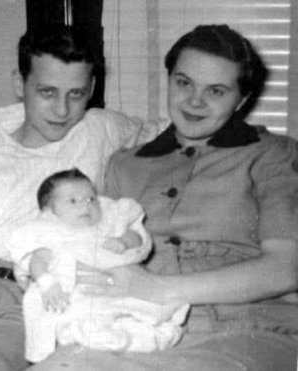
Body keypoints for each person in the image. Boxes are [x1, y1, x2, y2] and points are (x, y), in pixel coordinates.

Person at [29, 24, 298, 371]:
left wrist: (157, 288)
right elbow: (93, 245)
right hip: (137, 328)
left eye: (216, 90)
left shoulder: (275, 155)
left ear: (242, 99)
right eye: (183, 83)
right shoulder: (125, 163)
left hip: (248, 329)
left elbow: (286, 268)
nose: (195, 101)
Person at [0, 26, 166, 371]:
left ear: (92, 90)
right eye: (47, 92)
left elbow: (167, 129)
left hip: (44, 298)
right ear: (18, 84)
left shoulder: (100, 128)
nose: (62, 109)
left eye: (76, 94)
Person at [9, 168, 189, 363]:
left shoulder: (110, 223)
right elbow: (38, 262)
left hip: (122, 287)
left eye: (91, 199)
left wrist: (123, 242)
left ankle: (155, 334)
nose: (86, 205)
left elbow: (137, 236)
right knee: (75, 318)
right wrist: (48, 284)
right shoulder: (51, 233)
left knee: (141, 312)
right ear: (49, 211)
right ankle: (103, 337)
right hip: (76, 293)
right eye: (73, 201)